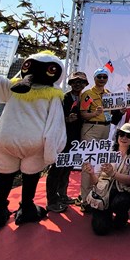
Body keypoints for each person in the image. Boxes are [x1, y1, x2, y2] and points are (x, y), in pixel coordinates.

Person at [83, 123, 130, 235]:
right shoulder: (106, 150)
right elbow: (95, 181)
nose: (124, 138)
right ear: (117, 135)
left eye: (128, 136)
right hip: (103, 191)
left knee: (121, 204)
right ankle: (105, 213)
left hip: (122, 191)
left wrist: (113, 173)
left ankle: (121, 216)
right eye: (121, 134)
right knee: (100, 229)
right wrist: (91, 174)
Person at [46, 71, 87, 213]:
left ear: (85, 84)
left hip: (75, 141)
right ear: (70, 83)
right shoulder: (63, 98)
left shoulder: (85, 99)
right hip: (61, 139)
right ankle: (51, 200)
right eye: (75, 81)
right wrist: (66, 119)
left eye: (81, 82)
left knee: (67, 169)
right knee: (56, 170)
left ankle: (62, 195)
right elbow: (52, 116)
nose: (78, 84)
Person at [78, 66, 113, 205]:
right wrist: (94, 114)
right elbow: (83, 113)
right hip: (91, 129)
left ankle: (97, 194)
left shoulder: (109, 93)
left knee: (99, 164)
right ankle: (85, 199)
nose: (102, 79)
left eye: (105, 77)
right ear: (94, 78)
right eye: (99, 77)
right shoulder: (88, 94)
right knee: (88, 163)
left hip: (106, 129)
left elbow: (111, 113)